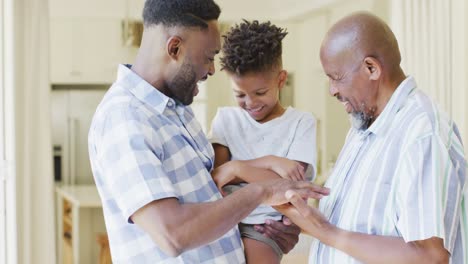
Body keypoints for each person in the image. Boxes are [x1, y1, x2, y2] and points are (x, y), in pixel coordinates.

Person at [87, 0, 330, 263]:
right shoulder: (125, 118)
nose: (213, 70)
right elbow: (174, 234)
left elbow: (215, 198)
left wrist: (274, 234)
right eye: (209, 57)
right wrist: (262, 192)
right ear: (175, 48)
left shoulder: (175, 110)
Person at [277, 11, 467, 264]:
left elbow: (430, 257)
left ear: (371, 68)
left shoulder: (422, 133)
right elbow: (361, 229)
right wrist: (304, 222)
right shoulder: (362, 126)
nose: (333, 90)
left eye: (337, 78)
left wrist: (325, 232)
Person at [208, 20, 317, 264]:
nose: (250, 103)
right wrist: (270, 162)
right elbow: (217, 177)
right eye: (240, 94)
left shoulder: (301, 123)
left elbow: (290, 189)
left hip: (264, 226)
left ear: (280, 80)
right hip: (224, 219)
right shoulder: (226, 119)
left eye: (260, 93)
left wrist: (237, 168)